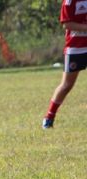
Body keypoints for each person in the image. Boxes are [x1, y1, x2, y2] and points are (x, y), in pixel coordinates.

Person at [42, 0, 87, 129]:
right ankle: (49, 118)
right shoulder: (69, 2)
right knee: (67, 85)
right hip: (75, 48)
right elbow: (67, 24)